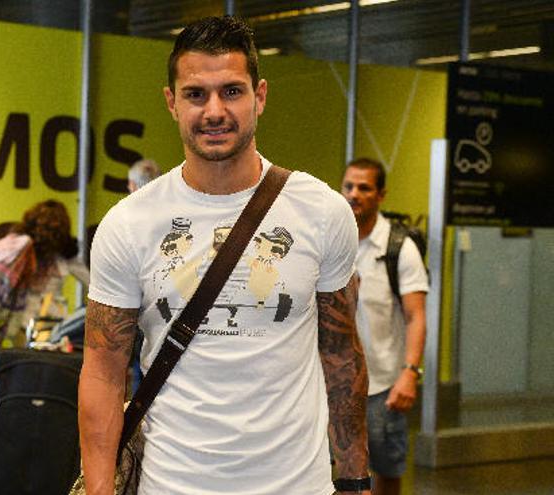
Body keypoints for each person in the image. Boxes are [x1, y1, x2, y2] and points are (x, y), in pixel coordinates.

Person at [78, 15, 371, 495]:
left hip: (297, 485)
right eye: (196, 94)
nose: (214, 110)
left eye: (231, 91)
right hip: (173, 485)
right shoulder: (130, 224)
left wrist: (356, 480)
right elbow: (103, 373)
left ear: (260, 95)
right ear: (172, 103)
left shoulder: (322, 211)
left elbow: (340, 355)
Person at [0, 199, 90, 466]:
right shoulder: (19, 247)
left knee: (20, 385)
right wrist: (10, 245)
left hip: (40, 332)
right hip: (2, 326)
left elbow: (93, 282)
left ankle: (9, 438)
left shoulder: (62, 257)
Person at [341, 158, 428, 495]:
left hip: (382, 385)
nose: (354, 194)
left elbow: (416, 315)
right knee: (339, 473)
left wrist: (410, 373)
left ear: (381, 195)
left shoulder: (399, 248)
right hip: (334, 382)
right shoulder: (331, 240)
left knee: (386, 470)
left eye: (364, 187)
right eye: (348, 186)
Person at [127, 158, 162, 395]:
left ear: (131, 185)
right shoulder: (172, 215)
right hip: (161, 305)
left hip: (131, 304)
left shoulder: (124, 219)